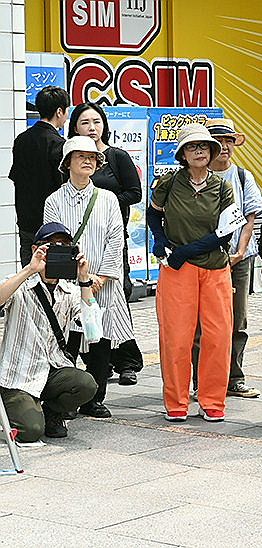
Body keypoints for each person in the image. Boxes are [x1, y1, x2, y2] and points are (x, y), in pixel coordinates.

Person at [147, 124, 235, 423]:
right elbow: (153, 213)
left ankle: (212, 401)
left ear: (212, 152)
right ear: (182, 153)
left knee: (218, 336)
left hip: (214, 268)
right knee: (176, 336)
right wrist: (160, 241)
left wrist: (189, 250)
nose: (199, 151)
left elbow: (225, 233)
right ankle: (176, 402)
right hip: (177, 269)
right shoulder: (170, 183)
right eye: (192, 147)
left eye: (204, 147)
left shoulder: (223, 187)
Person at [43, 136, 134, 418]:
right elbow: (54, 243)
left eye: (92, 157)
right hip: (68, 285)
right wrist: (78, 279)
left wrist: (101, 278)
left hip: (103, 285)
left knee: (100, 341)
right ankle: (67, 398)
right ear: (67, 162)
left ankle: (95, 399)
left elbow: (115, 240)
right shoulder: (54, 200)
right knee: (67, 341)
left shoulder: (107, 199)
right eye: (80, 156)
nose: (87, 161)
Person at [67, 102, 144, 386]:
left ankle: (127, 361)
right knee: (80, 306)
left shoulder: (116, 156)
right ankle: (96, 363)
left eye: (96, 122)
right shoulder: (70, 158)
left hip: (111, 239)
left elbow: (134, 193)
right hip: (80, 248)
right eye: (85, 122)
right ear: (75, 127)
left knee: (115, 301)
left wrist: (103, 203)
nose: (92, 127)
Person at [189, 118, 262, 399]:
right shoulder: (193, 178)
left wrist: (240, 251)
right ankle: (201, 380)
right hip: (203, 260)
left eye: (228, 141)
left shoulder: (244, 177)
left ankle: (234, 377)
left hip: (239, 260)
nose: (224, 147)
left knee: (237, 319)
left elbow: (251, 217)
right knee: (200, 323)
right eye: (218, 141)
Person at [0, 223, 98, 442]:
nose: (58, 249)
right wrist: (29, 270)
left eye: (64, 245)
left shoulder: (70, 290)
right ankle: (14, 409)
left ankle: (53, 413)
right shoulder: (21, 285)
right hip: (19, 375)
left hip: (53, 371)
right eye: (50, 245)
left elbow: (94, 331)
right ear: (36, 248)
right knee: (30, 432)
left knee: (86, 384)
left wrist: (84, 279)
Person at [9, 86, 70, 266]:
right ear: (59, 111)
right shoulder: (59, 144)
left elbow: (16, 177)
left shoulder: (21, 139)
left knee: (29, 276)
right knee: (53, 275)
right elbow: (63, 185)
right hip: (52, 226)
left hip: (26, 221)